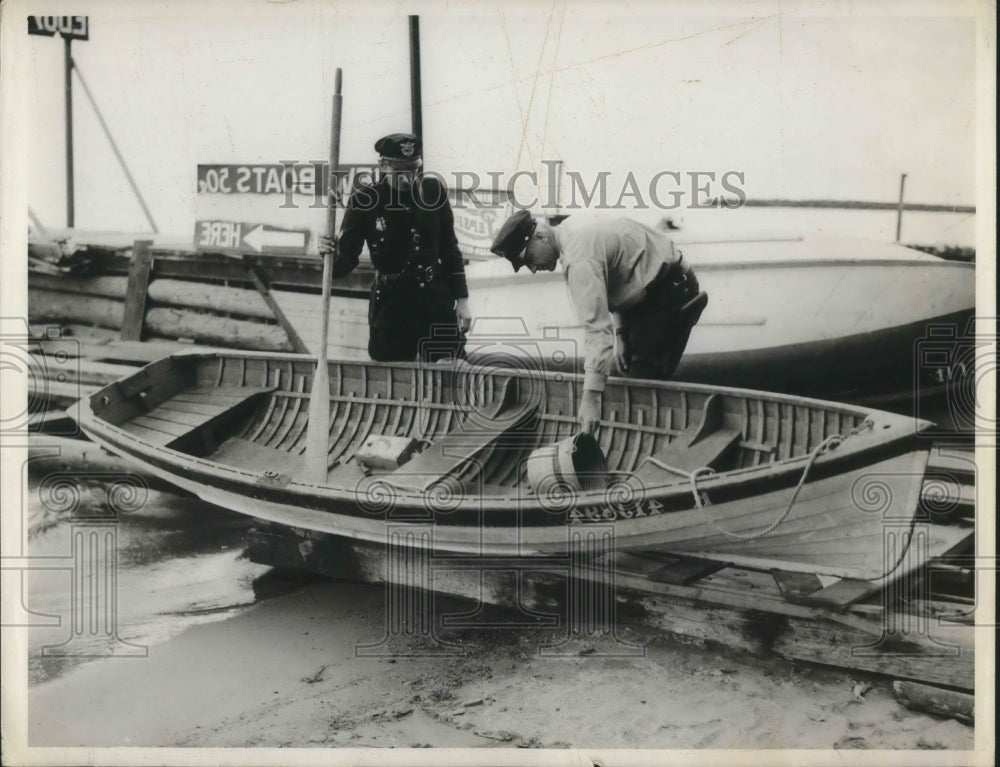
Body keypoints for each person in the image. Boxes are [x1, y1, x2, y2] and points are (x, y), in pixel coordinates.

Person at [490, 211, 707, 434]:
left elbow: (597, 330)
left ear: (540, 237)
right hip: (661, 286)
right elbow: (620, 274)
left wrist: (590, 399)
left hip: (668, 294)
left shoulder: (578, 258)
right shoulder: (573, 226)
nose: (534, 269)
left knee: (642, 386)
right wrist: (622, 334)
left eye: (528, 259)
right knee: (630, 370)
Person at [319, 133, 472, 362]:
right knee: (391, 374)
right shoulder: (365, 200)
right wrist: (327, 252)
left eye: (413, 170)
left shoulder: (433, 191)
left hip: (434, 300)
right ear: (382, 165)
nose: (408, 178)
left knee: (452, 372)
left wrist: (462, 299)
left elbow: (450, 248)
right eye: (399, 171)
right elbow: (343, 265)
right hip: (392, 306)